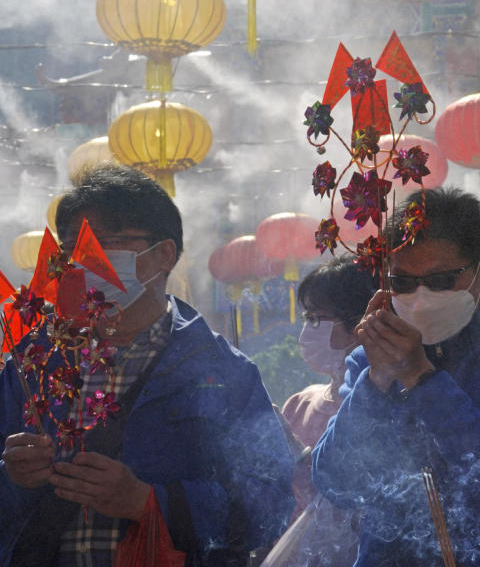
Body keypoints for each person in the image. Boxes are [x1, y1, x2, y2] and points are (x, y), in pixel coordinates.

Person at [0, 164, 294, 566]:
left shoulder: (223, 373)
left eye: (105, 244)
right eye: (72, 251)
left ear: (163, 255)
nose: (83, 264)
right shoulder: (34, 364)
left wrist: (148, 501)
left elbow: (269, 508)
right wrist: (13, 476)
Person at [311, 187, 480, 566]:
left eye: (440, 280)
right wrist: (375, 382)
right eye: (403, 282)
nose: (420, 296)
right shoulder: (369, 361)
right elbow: (336, 481)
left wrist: (422, 377)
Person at [269, 255, 376, 566]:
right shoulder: (299, 403)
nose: (306, 332)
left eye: (316, 319)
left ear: (359, 323)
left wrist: (299, 458)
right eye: (306, 318)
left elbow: (348, 505)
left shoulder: (375, 408)